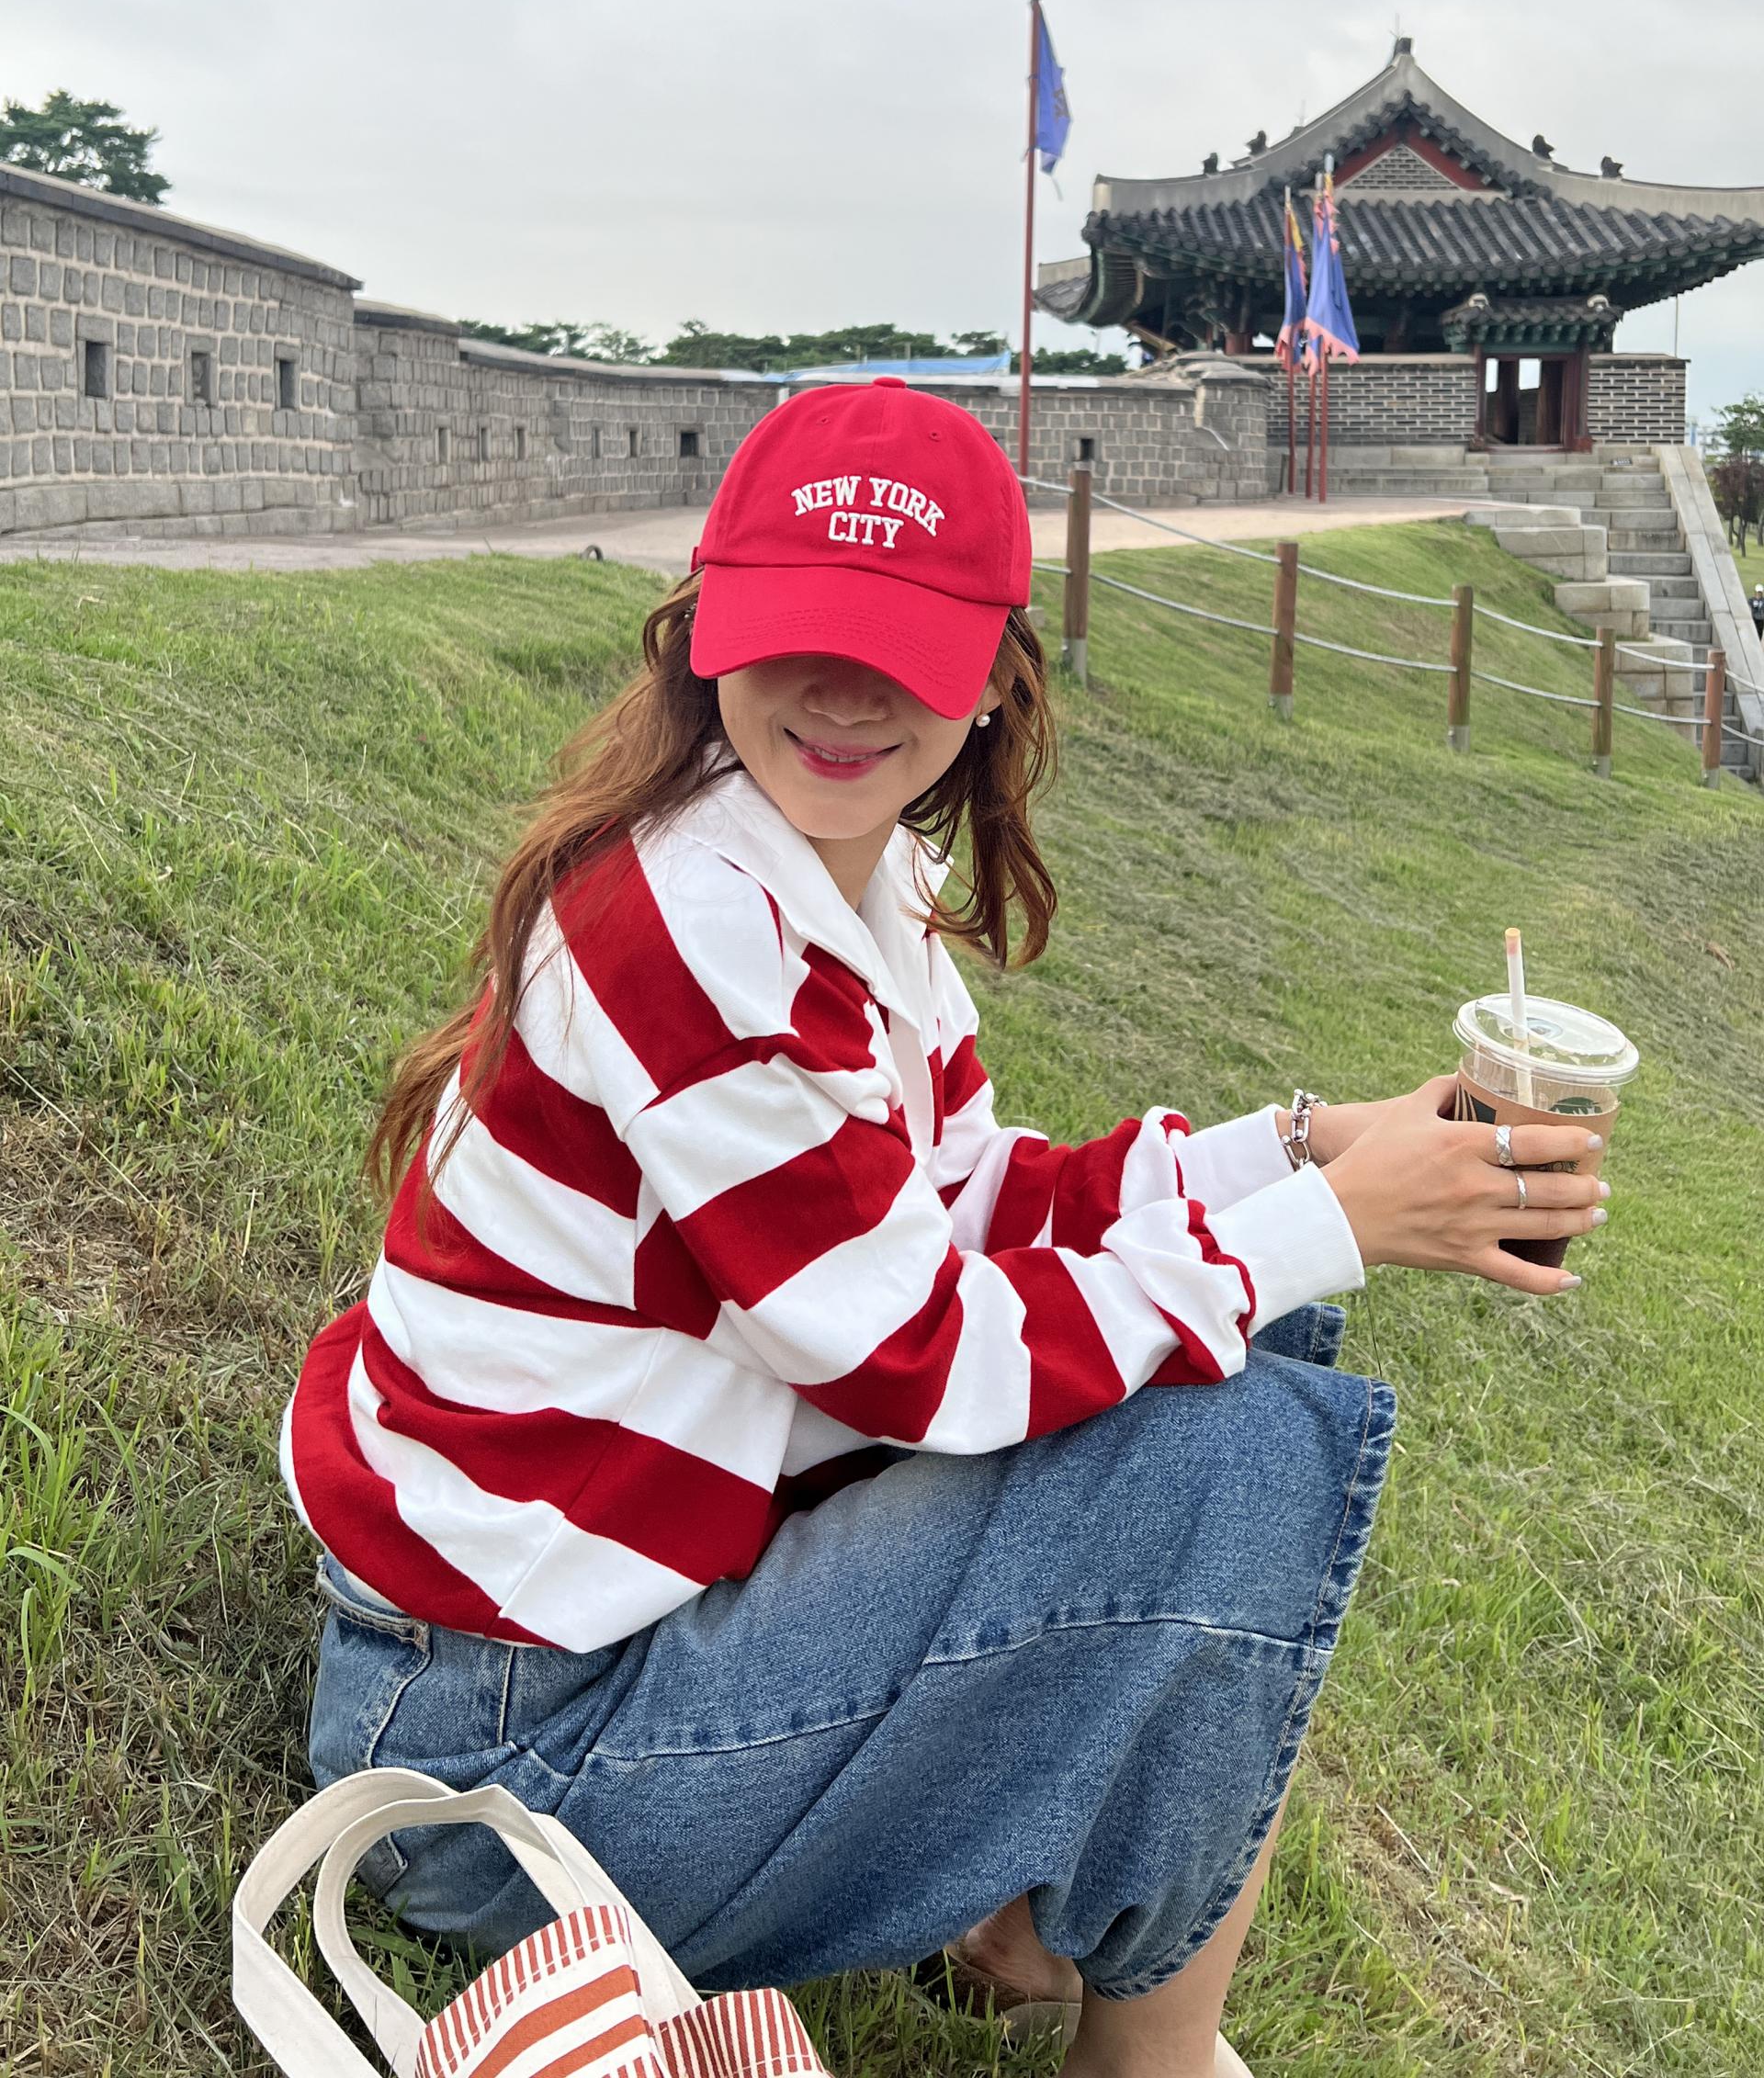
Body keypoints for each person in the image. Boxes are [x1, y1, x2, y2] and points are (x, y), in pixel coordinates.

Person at [283, 378, 1608, 2078]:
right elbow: (917, 1356)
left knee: (1251, 1333)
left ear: (991, 677)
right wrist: (1330, 1221)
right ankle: (1147, 2053)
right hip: (496, 1774)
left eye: (900, 654)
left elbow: (962, 1203)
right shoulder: (695, 929)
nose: (843, 699)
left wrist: (1292, 1153)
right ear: (707, 633)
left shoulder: (848, 873)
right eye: (797, 639)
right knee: (1231, 1445)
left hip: (591, 1655)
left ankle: (1033, 1939)